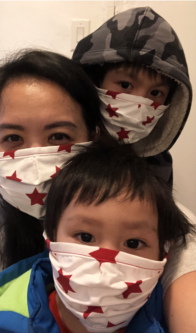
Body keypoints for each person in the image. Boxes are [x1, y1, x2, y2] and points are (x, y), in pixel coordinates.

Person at [0, 49, 102, 333]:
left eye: (58, 136)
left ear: (93, 137)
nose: (34, 159)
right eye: (13, 138)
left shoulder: (157, 232)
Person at [0, 142, 195, 333]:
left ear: (164, 252)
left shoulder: (173, 314)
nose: (105, 262)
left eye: (133, 243)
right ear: (50, 238)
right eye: (86, 236)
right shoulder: (7, 320)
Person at [72, 7, 196, 332]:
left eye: (156, 94)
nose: (139, 102)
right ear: (93, 82)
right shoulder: (60, 155)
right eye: (125, 84)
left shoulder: (158, 167)